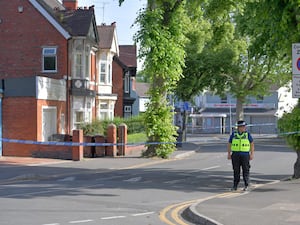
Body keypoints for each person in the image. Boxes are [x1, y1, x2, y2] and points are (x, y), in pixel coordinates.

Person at [227, 120, 254, 191]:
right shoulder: (234, 134)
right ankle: (235, 185)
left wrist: (252, 154)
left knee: (246, 170)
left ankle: (246, 185)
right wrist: (229, 153)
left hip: (245, 154)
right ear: (239, 127)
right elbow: (229, 144)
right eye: (243, 127)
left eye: (245, 127)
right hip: (235, 154)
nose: (244, 128)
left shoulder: (247, 134)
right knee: (236, 170)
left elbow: (252, 144)